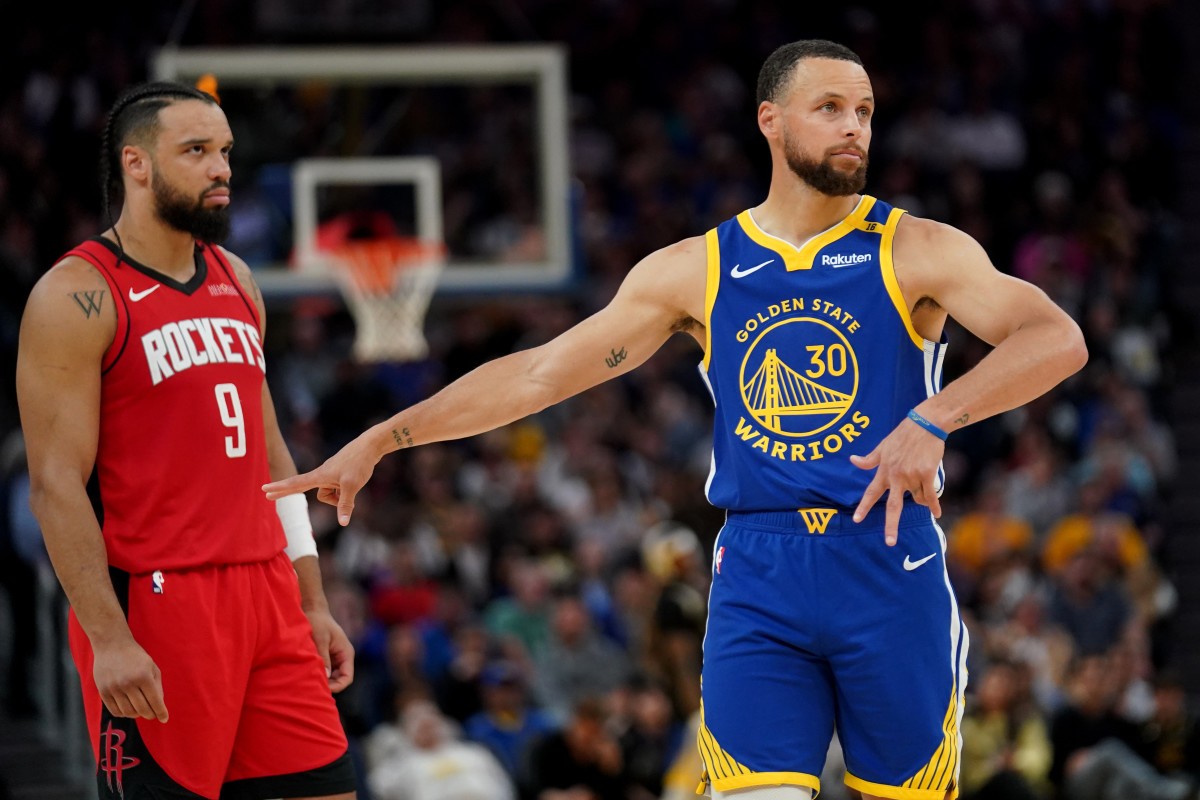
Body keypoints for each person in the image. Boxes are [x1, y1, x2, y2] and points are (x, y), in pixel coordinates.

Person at [266, 40, 1087, 800]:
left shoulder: (918, 248)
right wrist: (385, 437)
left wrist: (934, 419)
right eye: (831, 108)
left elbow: (1057, 337)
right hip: (759, 569)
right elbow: (539, 374)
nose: (854, 128)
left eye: (865, 111)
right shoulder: (698, 268)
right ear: (770, 120)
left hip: (885, 559)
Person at [16, 81, 357, 800]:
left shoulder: (238, 278)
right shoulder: (76, 295)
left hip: (267, 593)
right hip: (161, 600)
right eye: (196, 151)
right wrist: (109, 638)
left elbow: (271, 455)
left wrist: (312, 599)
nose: (220, 168)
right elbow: (54, 484)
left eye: (225, 151)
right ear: (136, 164)